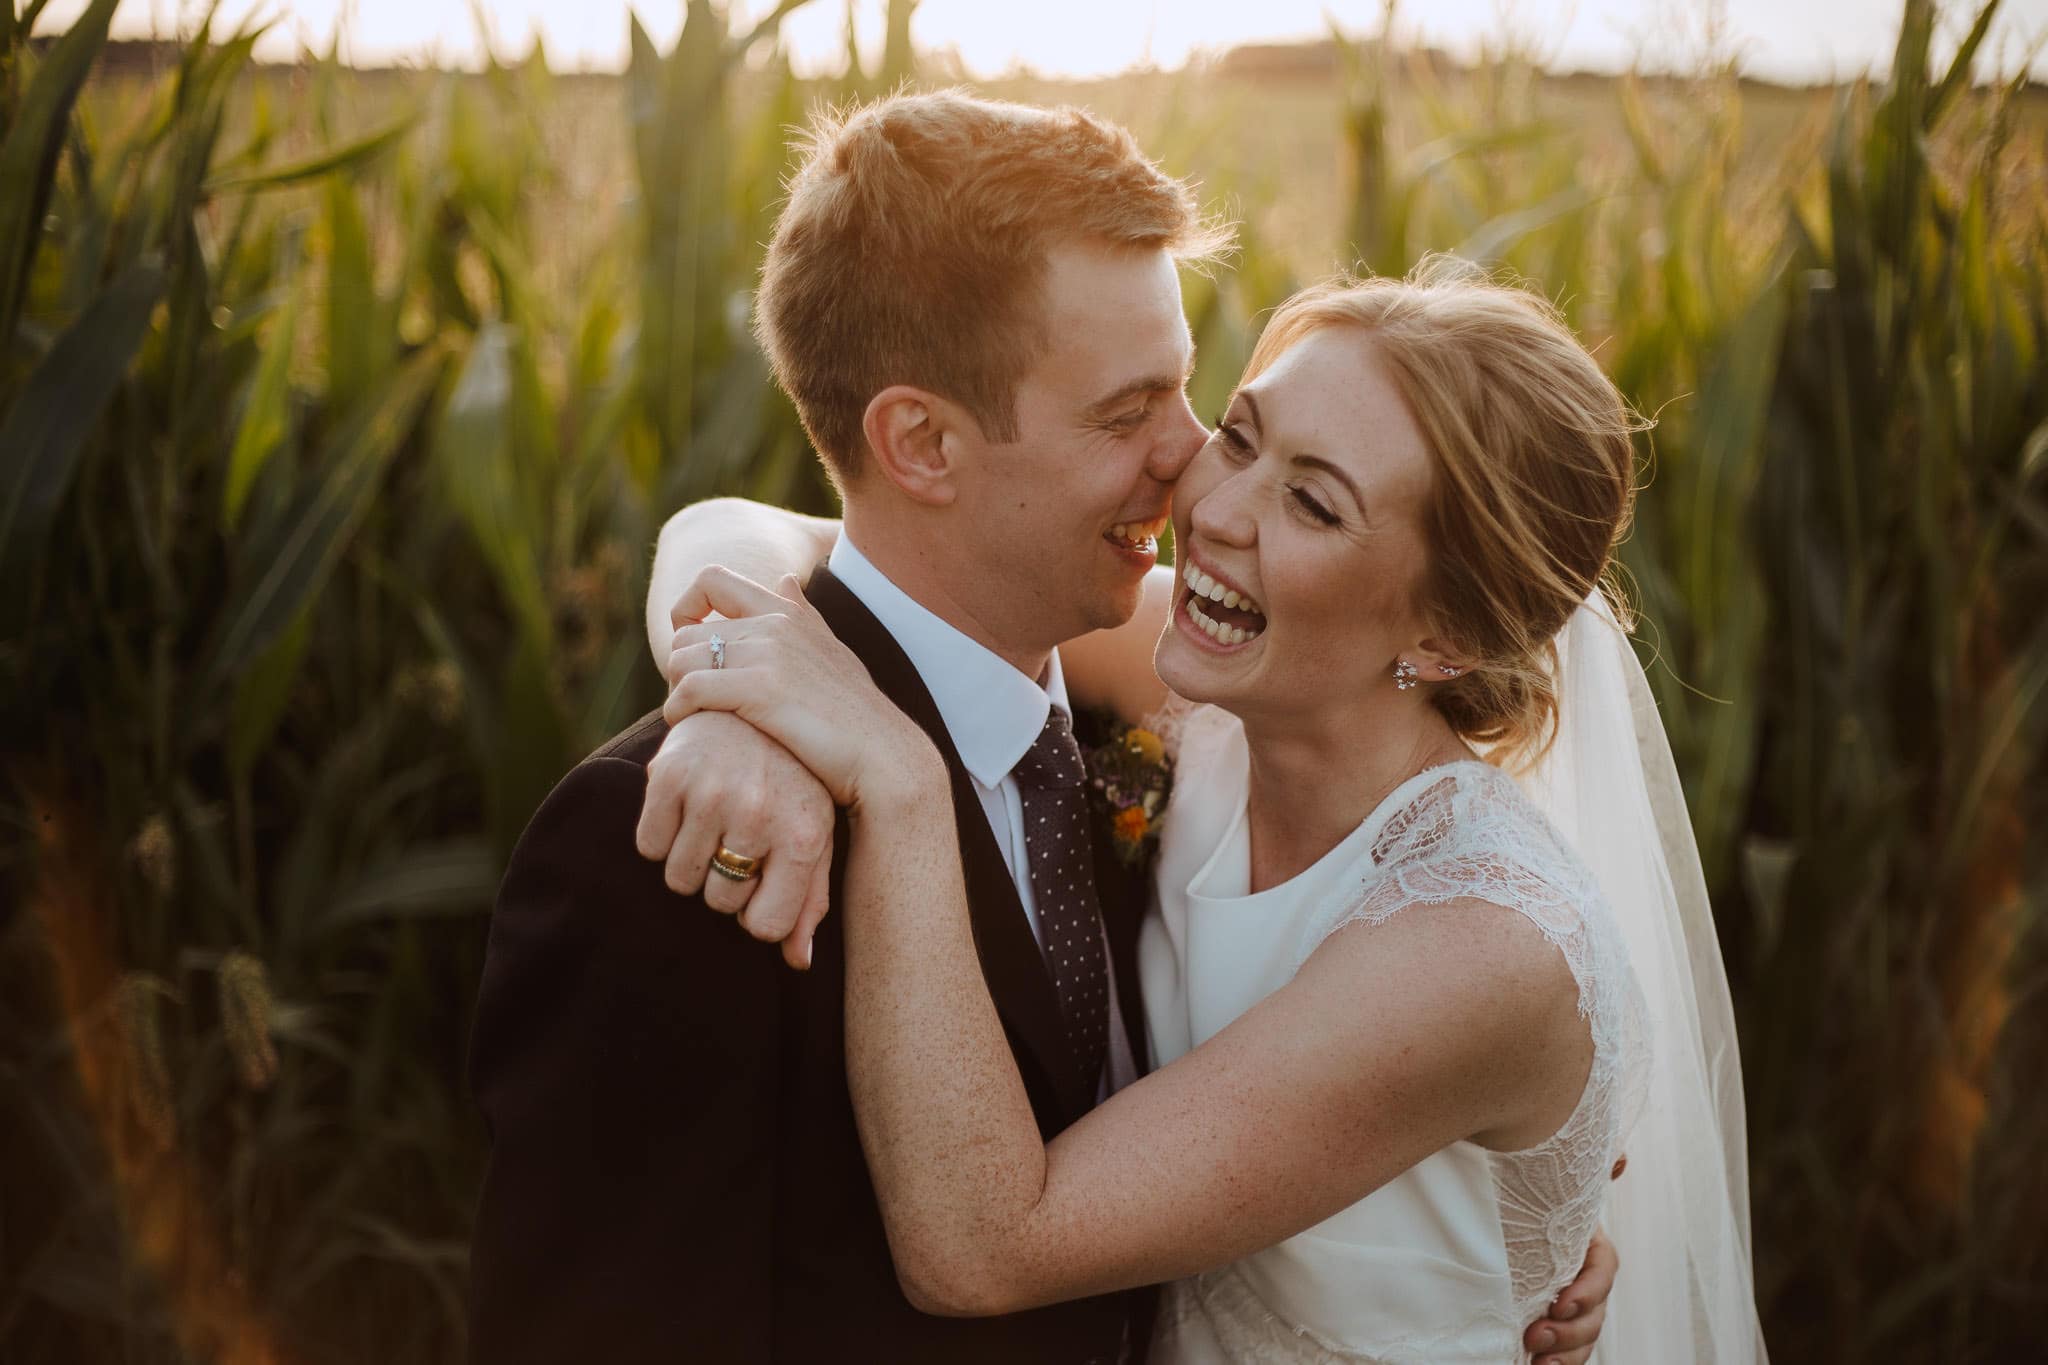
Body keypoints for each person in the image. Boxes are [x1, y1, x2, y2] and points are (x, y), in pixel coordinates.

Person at [468, 90, 1616, 1363]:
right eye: (1144, 416)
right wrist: (733, 688)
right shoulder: (683, 850)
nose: (1196, 477)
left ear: (1442, 634)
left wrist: (1505, 1223)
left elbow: (1012, 1237)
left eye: (1194, 403)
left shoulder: (1178, 700)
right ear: (918, 442)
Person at [643, 262, 1765, 1360]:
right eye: (1239, 435)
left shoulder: (1482, 946)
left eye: (1313, 502)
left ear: (1443, 640)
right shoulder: (1213, 690)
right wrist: (730, 716)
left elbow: (979, 1251)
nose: (1217, 509)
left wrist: (894, 776)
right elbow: (753, 533)